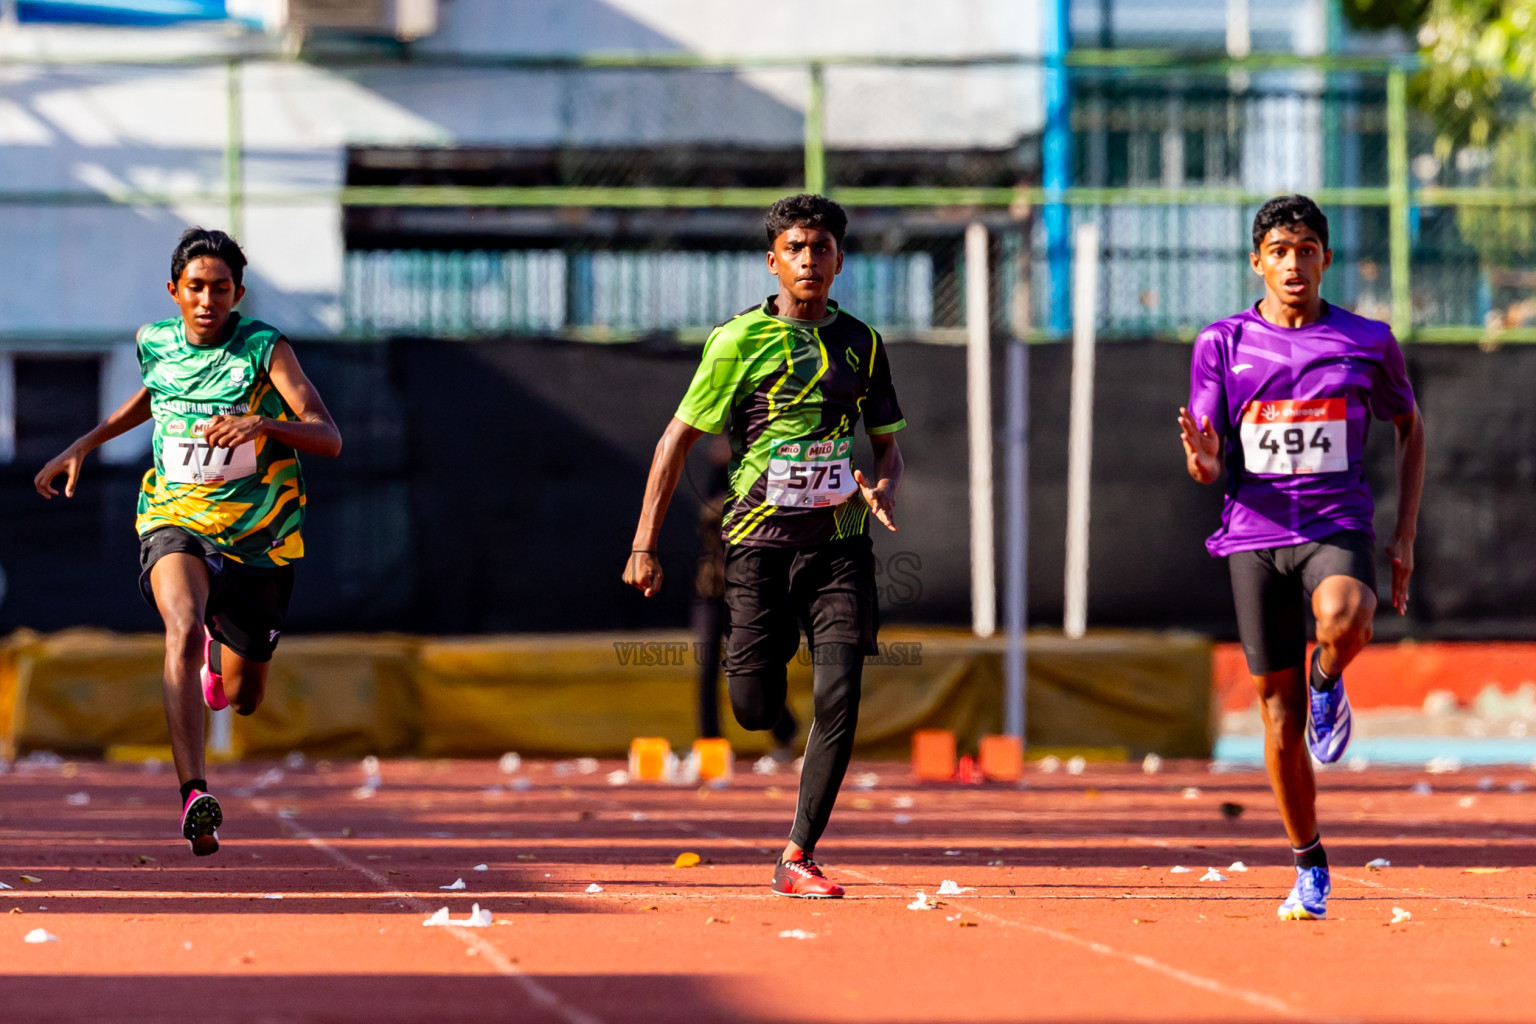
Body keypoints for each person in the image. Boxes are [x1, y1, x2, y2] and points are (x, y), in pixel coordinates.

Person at [623, 193, 906, 898]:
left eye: (822, 248)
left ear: (840, 260)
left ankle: (798, 853)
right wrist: (643, 544)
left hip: (841, 546)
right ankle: (764, 677)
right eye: (797, 248)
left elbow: (889, 447)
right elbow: (674, 442)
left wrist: (884, 486)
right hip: (758, 548)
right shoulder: (736, 342)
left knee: (840, 693)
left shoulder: (863, 344)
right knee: (751, 707)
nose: (810, 260)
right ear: (774, 260)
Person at [35, 228, 342, 857]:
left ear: (238, 294)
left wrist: (262, 422)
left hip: (261, 537)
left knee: (245, 697)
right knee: (180, 623)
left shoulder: (263, 348)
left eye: (220, 289)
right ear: (174, 291)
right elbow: (153, 397)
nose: (207, 300)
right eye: (196, 288)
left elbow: (327, 436)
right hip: (176, 517)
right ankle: (194, 794)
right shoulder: (156, 342)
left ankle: (221, 659)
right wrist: (81, 445)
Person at [1179, 195, 1425, 920]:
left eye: (1307, 249)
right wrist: (1201, 459)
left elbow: (1410, 425)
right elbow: (1208, 455)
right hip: (1254, 535)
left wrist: (1404, 534)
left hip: (1335, 522)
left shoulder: (1367, 339)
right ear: (1257, 262)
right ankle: (1309, 863)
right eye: (1280, 251)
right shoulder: (1221, 343)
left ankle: (1330, 679)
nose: (1294, 264)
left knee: (1348, 615)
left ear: (1325, 259)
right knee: (1277, 718)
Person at [691, 435, 797, 755]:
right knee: (707, 663)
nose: (718, 448)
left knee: (754, 663)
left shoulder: (760, 476)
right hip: (711, 590)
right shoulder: (712, 485)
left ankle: (785, 729)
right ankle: (710, 743)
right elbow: (709, 518)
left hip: (749, 590)